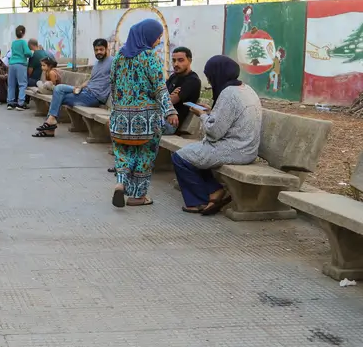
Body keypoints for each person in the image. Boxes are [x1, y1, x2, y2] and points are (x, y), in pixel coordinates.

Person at [173, 55, 262, 215]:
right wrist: (211, 111)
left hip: (236, 150)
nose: (210, 81)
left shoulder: (228, 94)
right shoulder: (246, 89)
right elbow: (229, 119)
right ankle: (215, 190)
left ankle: (199, 201)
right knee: (195, 153)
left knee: (180, 157)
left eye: (210, 77)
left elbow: (214, 133)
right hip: (247, 148)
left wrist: (201, 114)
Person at [106, 20, 179, 208]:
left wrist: (114, 113)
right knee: (145, 155)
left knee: (123, 153)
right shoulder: (149, 57)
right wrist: (170, 110)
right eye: (157, 37)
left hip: (121, 118)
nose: (158, 40)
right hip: (147, 120)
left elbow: (113, 87)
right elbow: (160, 88)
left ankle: (120, 183)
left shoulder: (118, 57)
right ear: (147, 36)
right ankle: (138, 196)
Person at [33, 39, 113, 137]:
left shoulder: (112, 62)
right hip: (85, 92)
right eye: (96, 50)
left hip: (94, 97)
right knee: (58, 93)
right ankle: (50, 125)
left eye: (101, 49)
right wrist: (80, 86)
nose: (98, 52)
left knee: (59, 89)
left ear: (106, 49)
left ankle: (50, 123)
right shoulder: (97, 63)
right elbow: (91, 80)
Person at [166, 46, 203, 131]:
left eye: (180, 60)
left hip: (172, 124)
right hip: (162, 118)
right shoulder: (173, 77)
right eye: (174, 60)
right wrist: (167, 97)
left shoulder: (193, 80)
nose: (176, 64)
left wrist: (167, 97)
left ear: (189, 61)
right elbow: (161, 96)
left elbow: (170, 101)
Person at [6, 25, 31, 110]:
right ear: (23, 33)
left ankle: (10, 102)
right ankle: (20, 103)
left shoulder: (13, 43)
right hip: (20, 64)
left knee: (11, 84)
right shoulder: (23, 42)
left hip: (12, 64)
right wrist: (31, 53)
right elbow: (28, 53)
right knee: (22, 84)